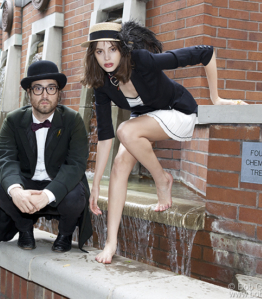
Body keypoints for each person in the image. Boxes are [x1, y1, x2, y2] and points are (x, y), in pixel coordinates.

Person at [80, 21, 247, 264]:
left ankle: (162, 179)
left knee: (126, 129)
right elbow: (105, 137)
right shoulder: (102, 83)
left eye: (112, 49)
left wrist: (216, 98)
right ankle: (110, 243)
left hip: (178, 111)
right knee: (119, 164)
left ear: (123, 49)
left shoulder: (142, 60)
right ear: (92, 54)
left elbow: (205, 52)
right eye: (99, 51)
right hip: (146, 120)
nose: (106, 57)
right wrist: (95, 186)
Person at [0, 60, 92, 253]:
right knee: (3, 190)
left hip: (58, 183)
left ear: (59, 93)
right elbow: (5, 158)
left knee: (76, 195)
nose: (45, 95)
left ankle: (65, 234)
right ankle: (25, 229)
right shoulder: (13, 120)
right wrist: (17, 191)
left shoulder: (73, 120)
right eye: (38, 89)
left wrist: (47, 195)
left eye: (51, 88)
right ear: (29, 93)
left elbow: (75, 164)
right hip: (27, 183)